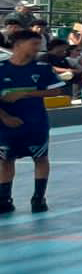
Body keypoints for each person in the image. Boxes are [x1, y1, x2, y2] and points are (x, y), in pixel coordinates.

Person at [0, 28, 67, 213]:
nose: (38, 48)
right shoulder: (1, 69)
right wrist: (5, 117)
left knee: (40, 157)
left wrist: (25, 93)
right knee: (5, 160)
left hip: (35, 122)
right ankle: (4, 199)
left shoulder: (42, 68)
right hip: (6, 125)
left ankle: (38, 198)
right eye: (34, 44)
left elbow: (56, 90)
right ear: (19, 44)